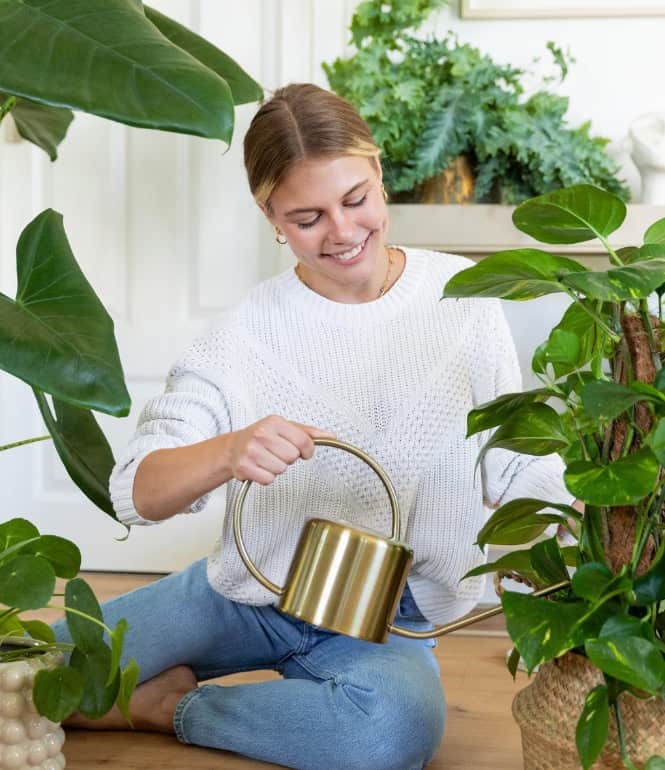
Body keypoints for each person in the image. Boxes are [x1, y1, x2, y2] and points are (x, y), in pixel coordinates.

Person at [54, 83, 572, 770]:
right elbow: (141, 491)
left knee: (387, 736)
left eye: (355, 200)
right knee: (22, 672)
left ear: (380, 175)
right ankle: (145, 686)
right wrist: (230, 450)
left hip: (383, 621)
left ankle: (166, 708)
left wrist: (579, 511)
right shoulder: (242, 332)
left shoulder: (465, 301)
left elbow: (510, 464)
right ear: (269, 216)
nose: (342, 232)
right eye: (306, 217)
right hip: (242, 597)